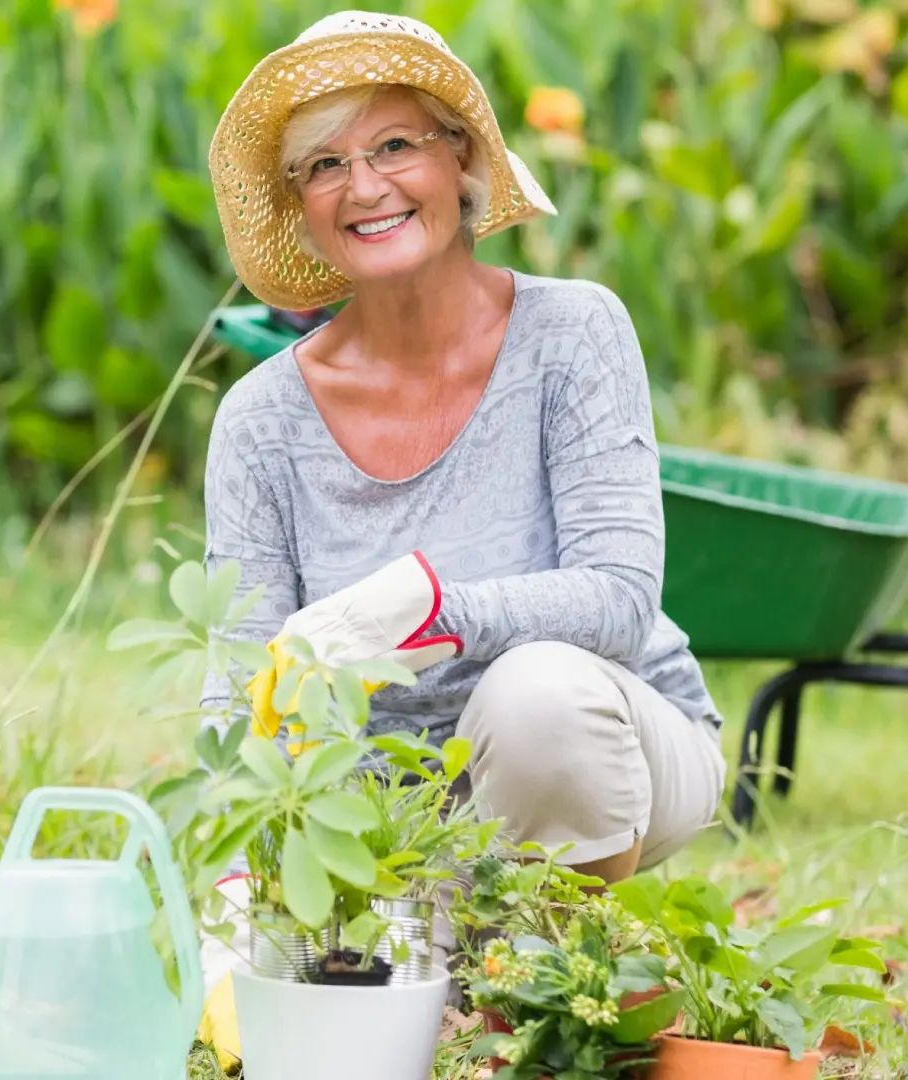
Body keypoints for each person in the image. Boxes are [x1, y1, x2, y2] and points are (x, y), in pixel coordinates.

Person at [190, 11, 728, 1065]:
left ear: (464, 161)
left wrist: (430, 610)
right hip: (388, 822)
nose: (366, 185)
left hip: (611, 744)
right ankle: (462, 956)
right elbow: (236, 685)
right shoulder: (261, 422)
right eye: (325, 165)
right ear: (302, 208)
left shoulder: (573, 333)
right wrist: (230, 887)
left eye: (396, 145)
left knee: (536, 696)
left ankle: (559, 999)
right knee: (341, 997)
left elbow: (621, 596)